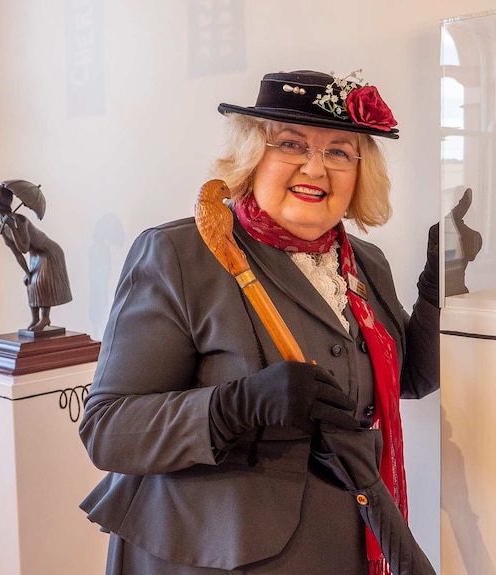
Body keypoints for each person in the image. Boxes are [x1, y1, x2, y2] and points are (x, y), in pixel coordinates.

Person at [79, 69, 457, 575]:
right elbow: (107, 429)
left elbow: (409, 380)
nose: (316, 169)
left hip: (342, 542)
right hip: (213, 551)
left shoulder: (364, 263)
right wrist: (234, 406)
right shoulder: (178, 254)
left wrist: (438, 284)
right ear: (253, 157)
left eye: (339, 151)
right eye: (292, 144)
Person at [0, 182, 73, 332]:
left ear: (0, 203)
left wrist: (13, 228)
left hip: (48, 252)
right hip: (35, 253)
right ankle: (35, 318)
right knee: (30, 282)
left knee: (40, 283)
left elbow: (24, 247)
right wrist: (26, 272)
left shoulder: (20, 221)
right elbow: (16, 252)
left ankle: (45, 318)